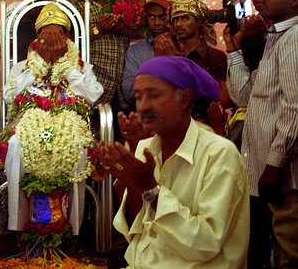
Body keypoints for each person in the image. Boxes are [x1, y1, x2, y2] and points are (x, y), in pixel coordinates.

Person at [99, 55, 250, 267]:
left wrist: (149, 188)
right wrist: (134, 184)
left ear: (184, 97)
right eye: (138, 97)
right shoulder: (145, 148)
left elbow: (205, 244)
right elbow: (136, 228)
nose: (142, 107)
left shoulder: (219, 154)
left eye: (153, 95)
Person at [3, 3, 103, 250]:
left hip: (70, 126)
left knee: (77, 147)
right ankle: (19, 232)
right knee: (16, 145)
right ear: (36, 37)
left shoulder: (80, 66)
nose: (49, 40)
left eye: (56, 35)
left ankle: (73, 235)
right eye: (44, 35)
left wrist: (65, 67)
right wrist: (39, 68)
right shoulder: (22, 66)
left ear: (67, 38)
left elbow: (92, 95)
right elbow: (8, 96)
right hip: (29, 126)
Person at [229, 0, 298, 268]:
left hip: (285, 175)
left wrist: (274, 164)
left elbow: (295, 109)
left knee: (291, 256)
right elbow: (245, 96)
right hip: (267, 174)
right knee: (279, 254)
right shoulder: (275, 38)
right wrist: (236, 48)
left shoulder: (294, 39)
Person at [223, 0, 276, 268]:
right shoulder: (254, 33)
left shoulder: (286, 35)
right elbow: (244, 96)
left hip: (279, 159)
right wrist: (235, 47)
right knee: (256, 239)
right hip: (255, 158)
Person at [67, 0, 141, 142]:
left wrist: (121, 29)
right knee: (91, 142)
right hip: (90, 86)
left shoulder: (121, 0)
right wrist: (97, 30)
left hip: (121, 88)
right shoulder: (72, 5)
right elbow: (66, 43)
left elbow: (142, 33)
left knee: (120, 141)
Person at [155, 0, 230, 122]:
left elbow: (220, 98)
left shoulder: (214, 56)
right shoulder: (170, 52)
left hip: (204, 125)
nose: (178, 24)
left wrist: (178, 65)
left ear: (199, 21)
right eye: (175, 19)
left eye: (185, 18)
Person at [122, 0, 177, 109]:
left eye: (163, 17)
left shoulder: (184, 45)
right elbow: (128, 92)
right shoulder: (135, 51)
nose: (157, 23)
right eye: (151, 17)